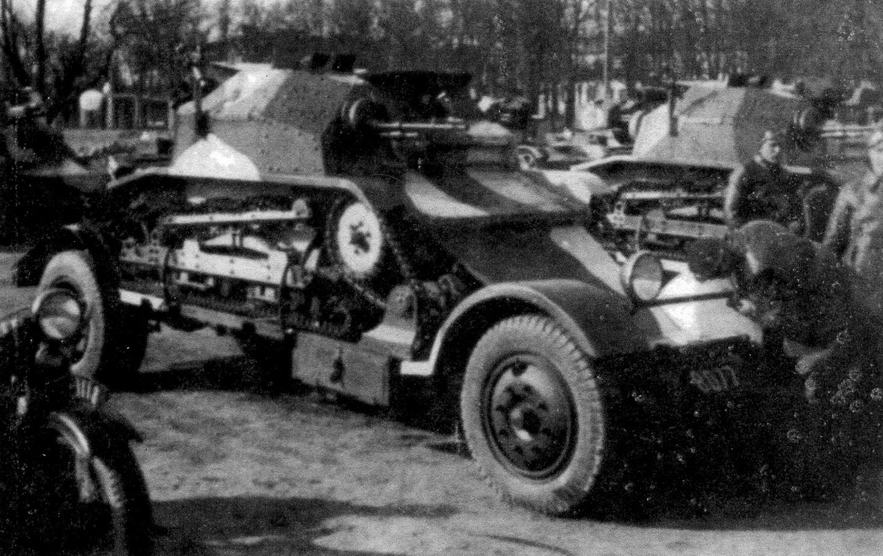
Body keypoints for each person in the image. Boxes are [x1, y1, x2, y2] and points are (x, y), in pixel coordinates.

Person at [823, 122, 883, 320]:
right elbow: (833, 243)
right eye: (879, 149)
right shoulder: (852, 191)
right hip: (861, 278)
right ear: (869, 153)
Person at [723, 130, 803, 232]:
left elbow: (795, 208)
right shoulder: (744, 173)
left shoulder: (784, 175)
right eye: (772, 145)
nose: (778, 150)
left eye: (781, 146)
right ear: (761, 146)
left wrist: (794, 223)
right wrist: (744, 235)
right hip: (753, 234)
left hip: (779, 234)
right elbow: (731, 213)